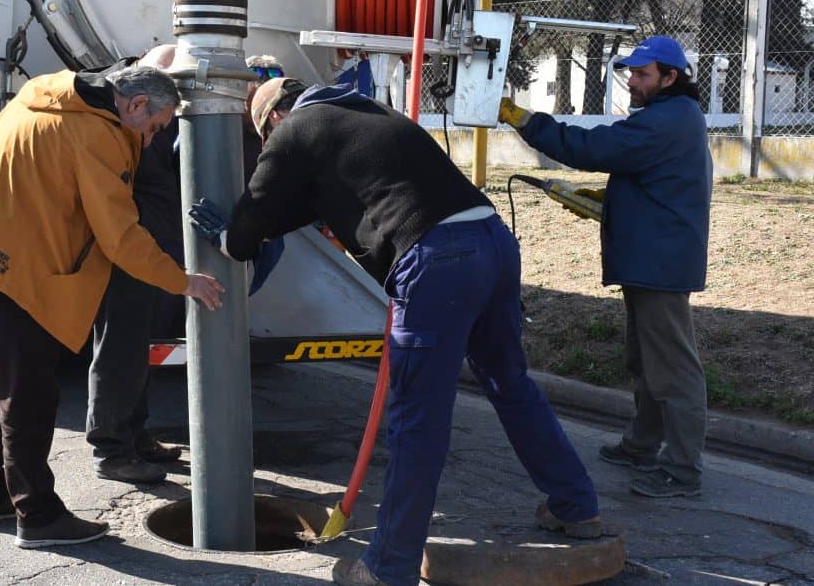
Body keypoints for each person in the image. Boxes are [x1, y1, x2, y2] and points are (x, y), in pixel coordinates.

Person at [191, 78, 600, 586]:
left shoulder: (294, 128)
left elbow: (252, 220)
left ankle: (388, 567)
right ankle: (577, 506)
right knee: (510, 383)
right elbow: (307, 207)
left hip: (438, 262)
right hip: (493, 242)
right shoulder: (367, 115)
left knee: (416, 420)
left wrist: (229, 238)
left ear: (273, 119)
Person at [0, 64, 224, 549]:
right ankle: (37, 517)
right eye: (155, 128)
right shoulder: (96, 134)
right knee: (28, 396)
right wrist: (182, 281)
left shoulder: (48, 95)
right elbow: (120, 235)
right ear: (136, 104)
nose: (149, 142)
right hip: (8, 268)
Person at [498, 35, 711, 499]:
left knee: (672, 366)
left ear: (670, 78)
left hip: (659, 262)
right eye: (631, 73)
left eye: (642, 74)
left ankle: (682, 469)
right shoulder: (670, 116)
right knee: (647, 360)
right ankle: (642, 444)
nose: (632, 82)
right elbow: (644, 174)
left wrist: (527, 122)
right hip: (653, 257)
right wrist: (612, 202)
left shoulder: (665, 120)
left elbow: (593, 148)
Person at [86, 48, 284, 485]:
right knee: (119, 348)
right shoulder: (129, 128)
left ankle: (133, 439)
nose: (159, 127)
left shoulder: (153, 125)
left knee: (134, 347)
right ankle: (112, 449)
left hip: (150, 252)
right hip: (131, 253)